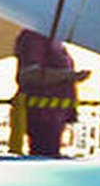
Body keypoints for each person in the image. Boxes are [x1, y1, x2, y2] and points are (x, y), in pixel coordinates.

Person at [12, 26, 80, 157]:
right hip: (43, 114)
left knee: (51, 153)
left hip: (57, 113)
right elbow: (28, 74)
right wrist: (67, 76)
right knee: (44, 154)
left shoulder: (55, 40)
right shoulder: (34, 37)